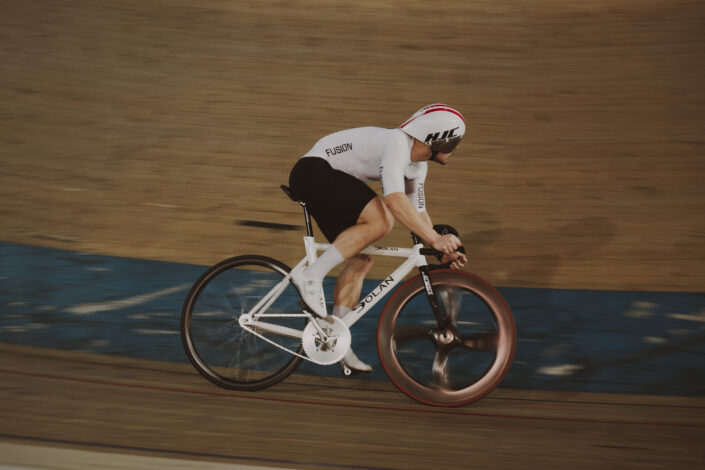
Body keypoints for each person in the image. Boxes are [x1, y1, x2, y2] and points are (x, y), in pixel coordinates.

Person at [288, 104, 468, 372]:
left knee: (360, 261)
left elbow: (418, 214)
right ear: (437, 139)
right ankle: (310, 276)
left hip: (330, 181)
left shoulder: (417, 167)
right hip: (313, 171)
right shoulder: (396, 142)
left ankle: (335, 339)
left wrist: (441, 249)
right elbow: (394, 200)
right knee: (382, 219)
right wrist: (434, 239)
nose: (456, 147)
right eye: (454, 142)